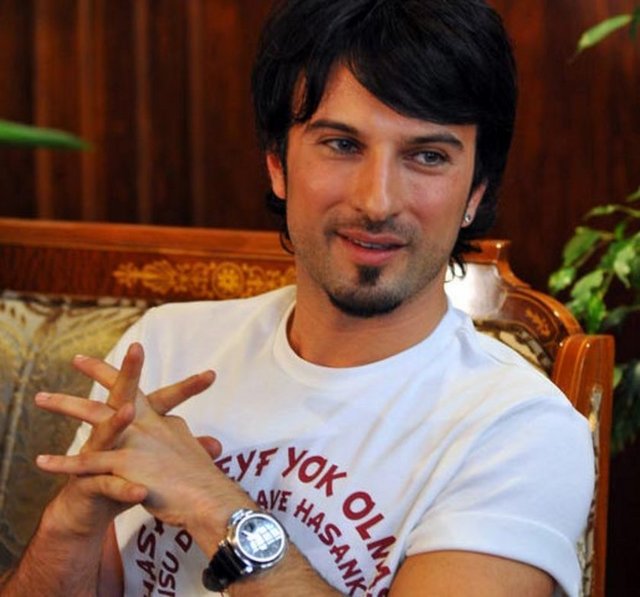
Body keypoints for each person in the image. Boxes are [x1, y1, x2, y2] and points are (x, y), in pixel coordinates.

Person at [1, 0, 593, 595]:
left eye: (427, 156)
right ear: (277, 165)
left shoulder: (521, 428)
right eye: (341, 144)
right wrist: (70, 522)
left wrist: (213, 506)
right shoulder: (165, 344)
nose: (378, 201)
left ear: (476, 191)